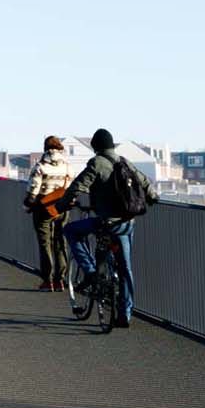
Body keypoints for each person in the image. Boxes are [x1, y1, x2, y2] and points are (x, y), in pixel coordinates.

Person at [62, 129, 158, 328]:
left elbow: (78, 186)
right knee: (125, 268)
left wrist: (62, 204)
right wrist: (153, 197)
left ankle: (90, 271)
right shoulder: (124, 162)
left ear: (96, 147)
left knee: (71, 230)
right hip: (127, 223)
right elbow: (145, 183)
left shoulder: (97, 163)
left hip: (105, 223)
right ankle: (125, 314)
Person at [25, 134, 73, 290]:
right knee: (60, 242)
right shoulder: (67, 166)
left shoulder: (40, 167)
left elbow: (33, 189)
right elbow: (70, 186)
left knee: (45, 243)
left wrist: (28, 204)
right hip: (61, 208)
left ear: (45, 148)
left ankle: (48, 280)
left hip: (43, 209)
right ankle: (60, 279)